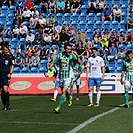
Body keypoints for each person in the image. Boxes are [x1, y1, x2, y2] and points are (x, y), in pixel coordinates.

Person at [49, 43, 80, 113]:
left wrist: (77, 56)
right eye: (68, 49)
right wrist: (51, 66)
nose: (70, 51)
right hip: (61, 76)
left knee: (63, 92)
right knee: (64, 91)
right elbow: (54, 62)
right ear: (65, 49)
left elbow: (79, 62)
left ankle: (58, 108)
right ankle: (69, 98)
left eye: (70, 49)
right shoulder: (60, 55)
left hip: (68, 76)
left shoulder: (72, 55)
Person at [0, 45, 15, 110]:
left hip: (6, 75)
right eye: (5, 50)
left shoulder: (10, 57)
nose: (7, 51)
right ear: (3, 50)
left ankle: (8, 103)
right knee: (2, 91)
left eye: (7, 50)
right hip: (0, 75)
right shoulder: (0, 57)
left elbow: (13, 65)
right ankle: (4, 105)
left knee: (5, 89)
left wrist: (10, 73)